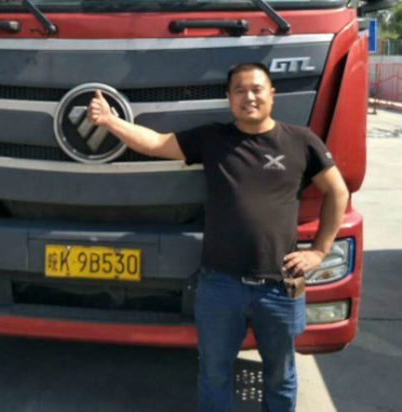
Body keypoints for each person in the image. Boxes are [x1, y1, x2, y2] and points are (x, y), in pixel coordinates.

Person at [87, 62, 349, 412]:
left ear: (272, 94)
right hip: (220, 287)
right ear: (229, 98)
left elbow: (337, 192)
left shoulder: (301, 141)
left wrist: (319, 250)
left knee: (280, 376)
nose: (249, 97)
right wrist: (109, 121)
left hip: (279, 287)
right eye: (239, 90)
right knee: (214, 374)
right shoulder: (212, 139)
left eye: (256, 89)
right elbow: (157, 143)